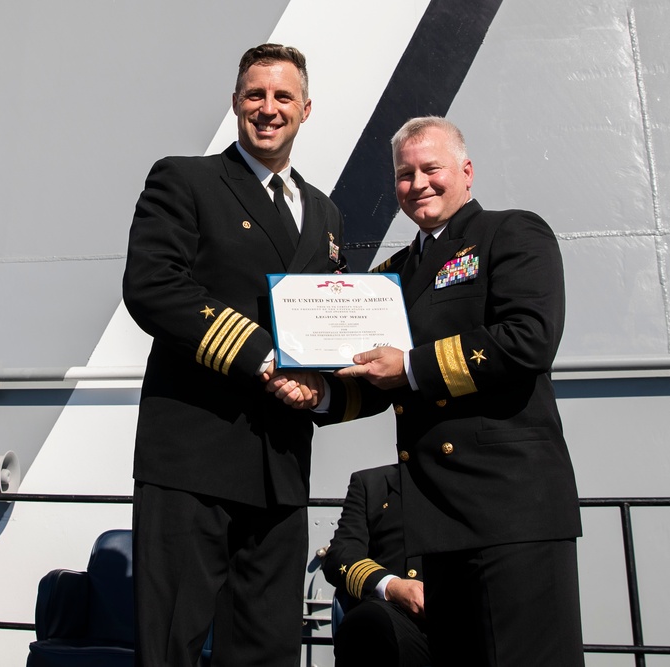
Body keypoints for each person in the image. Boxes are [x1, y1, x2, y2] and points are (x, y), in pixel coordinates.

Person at [282, 116, 584, 665]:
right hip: (436, 521)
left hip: (511, 512)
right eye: (404, 174)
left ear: (465, 172)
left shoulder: (511, 233)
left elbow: (529, 340)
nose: (418, 183)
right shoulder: (393, 275)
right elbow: (376, 375)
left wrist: (414, 367)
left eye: (431, 168)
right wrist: (316, 394)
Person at [122, 43, 344, 667]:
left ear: (305, 108)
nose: (267, 109)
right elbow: (153, 286)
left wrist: (323, 379)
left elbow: (329, 310)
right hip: (195, 455)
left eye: (282, 97)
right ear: (236, 103)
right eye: (254, 95)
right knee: (170, 644)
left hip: (281, 462)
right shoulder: (186, 179)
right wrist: (265, 358)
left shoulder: (323, 210)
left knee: (266, 649)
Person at [322, 464, 430, 667]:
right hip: (395, 620)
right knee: (366, 623)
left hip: (467, 620)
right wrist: (392, 587)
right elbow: (339, 556)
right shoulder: (373, 484)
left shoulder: (486, 481)